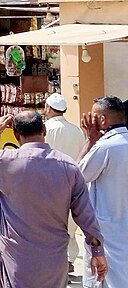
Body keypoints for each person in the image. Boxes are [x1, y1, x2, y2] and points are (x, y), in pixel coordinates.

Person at [0, 111, 107, 288]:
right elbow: (86, 214)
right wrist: (97, 251)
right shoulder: (68, 166)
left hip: (16, 261)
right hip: (54, 262)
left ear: (16, 135)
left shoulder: (5, 162)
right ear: (44, 130)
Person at [78, 96, 128, 288]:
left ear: (102, 120)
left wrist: (89, 141)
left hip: (107, 230)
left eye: (93, 116)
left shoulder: (105, 147)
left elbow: (78, 176)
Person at [44, 92, 87, 273]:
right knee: (69, 225)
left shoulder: (45, 128)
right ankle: (68, 260)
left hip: (50, 183)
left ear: (48, 108)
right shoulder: (76, 130)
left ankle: (59, 263)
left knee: (52, 227)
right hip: (73, 183)